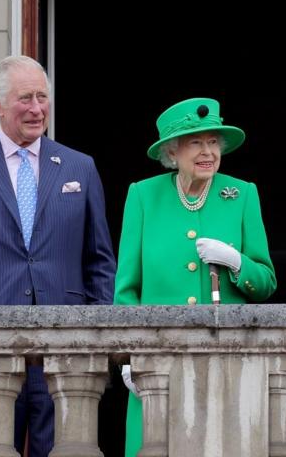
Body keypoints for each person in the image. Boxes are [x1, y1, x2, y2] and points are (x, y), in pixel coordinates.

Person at [0, 55, 116, 457]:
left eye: (42, 97)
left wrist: (100, 332)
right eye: (24, 99)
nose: (36, 108)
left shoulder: (80, 167)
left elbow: (99, 259)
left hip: (67, 344)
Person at [114, 97, 277, 457]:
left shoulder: (242, 194)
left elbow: (265, 283)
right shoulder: (143, 196)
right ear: (172, 152)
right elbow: (127, 289)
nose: (208, 152)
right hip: (159, 362)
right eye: (196, 143)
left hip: (226, 363)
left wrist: (237, 263)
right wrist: (128, 356)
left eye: (213, 142)